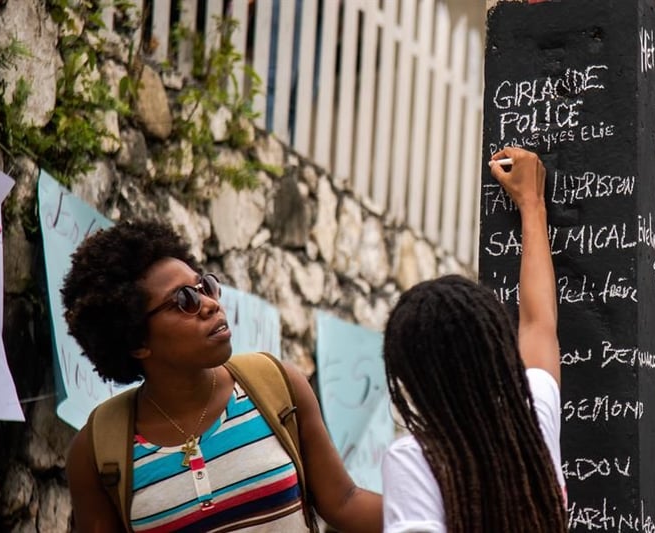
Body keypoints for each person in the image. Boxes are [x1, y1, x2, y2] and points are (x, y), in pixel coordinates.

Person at [62, 219, 382, 532]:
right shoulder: (97, 451)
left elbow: (345, 502)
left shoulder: (277, 385)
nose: (210, 304)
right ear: (137, 341)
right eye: (185, 300)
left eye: (207, 287)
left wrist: (427, 506)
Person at [381, 147, 567, 532]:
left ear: (409, 379)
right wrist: (533, 207)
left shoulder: (415, 460)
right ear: (497, 347)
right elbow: (538, 323)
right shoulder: (533, 422)